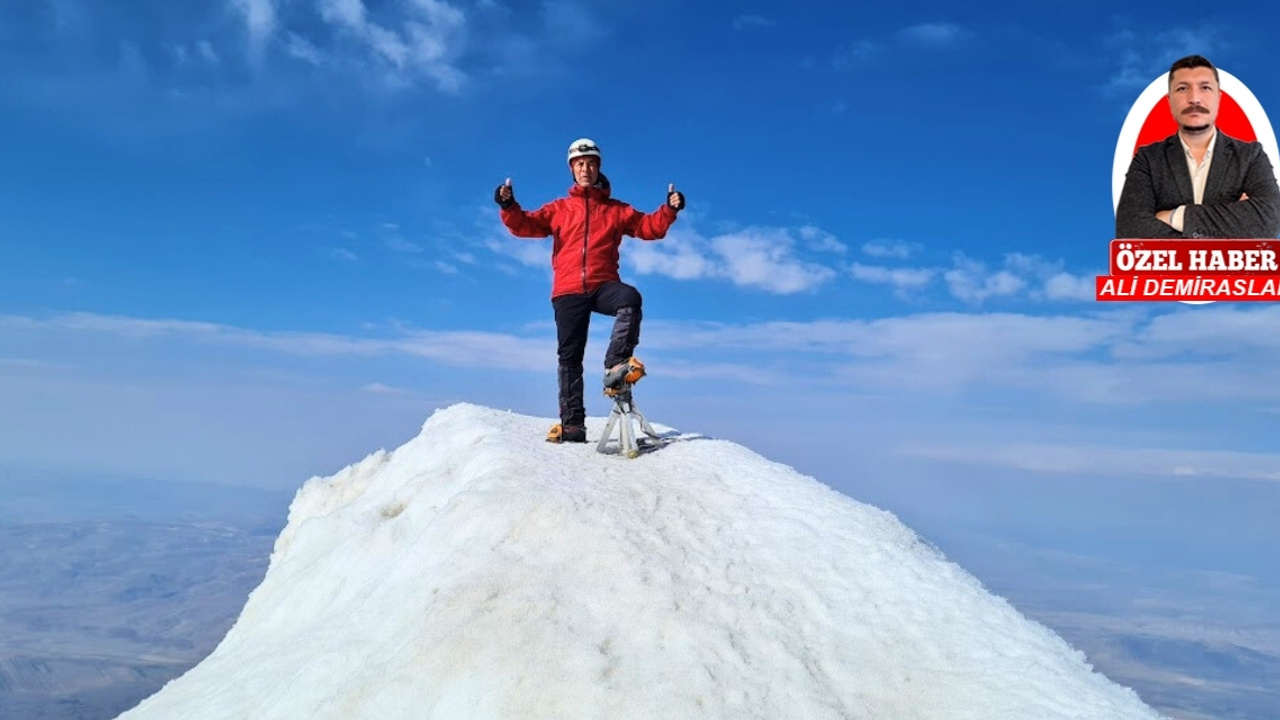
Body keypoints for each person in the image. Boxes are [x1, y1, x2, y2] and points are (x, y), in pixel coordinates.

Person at [495, 138, 685, 443]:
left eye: (591, 163)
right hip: (567, 289)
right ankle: (573, 426)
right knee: (570, 358)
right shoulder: (559, 208)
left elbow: (649, 227)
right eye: (580, 164)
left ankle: (615, 365)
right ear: (573, 170)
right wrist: (508, 206)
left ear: (598, 168)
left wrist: (669, 210)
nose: (586, 168)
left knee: (630, 299)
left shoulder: (615, 210)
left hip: (602, 283)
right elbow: (525, 225)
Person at [1115, 54, 1280, 239]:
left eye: (1205, 88)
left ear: (1219, 98)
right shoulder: (1148, 159)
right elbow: (1130, 228)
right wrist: (1233, 221)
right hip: (1168, 270)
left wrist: (1175, 216)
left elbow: (1270, 220)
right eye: (1183, 88)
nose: (1194, 98)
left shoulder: (1250, 156)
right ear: (1169, 101)